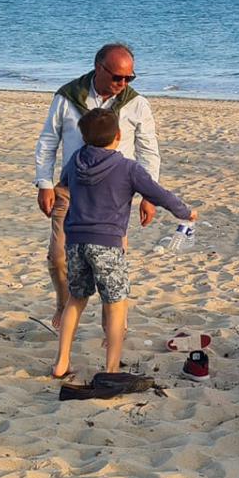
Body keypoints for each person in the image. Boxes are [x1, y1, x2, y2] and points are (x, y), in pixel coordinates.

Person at [48, 108, 195, 379]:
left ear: (84, 138)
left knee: (76, 299)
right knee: (116, 303)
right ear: (118, 136)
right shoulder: (127, 168)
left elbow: (64, 184)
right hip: (108, 244)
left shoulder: (75, 160)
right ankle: (112, 367)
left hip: (76, 242)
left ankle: (61, 361)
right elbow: (159, 194)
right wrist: (185, 212)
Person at [33, 43, 161, 320]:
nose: (123, 83)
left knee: (110, 266)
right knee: (58, 258)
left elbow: (148, 150)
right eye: (117, 77)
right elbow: (48, 140)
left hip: (113, 196)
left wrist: (148, 195)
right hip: (70, 189)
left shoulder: (136, 104)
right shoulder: (68, 97)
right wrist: (44, 182)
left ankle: (112, 326)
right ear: (98, 68)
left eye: (129, 78)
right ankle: (65, 308)